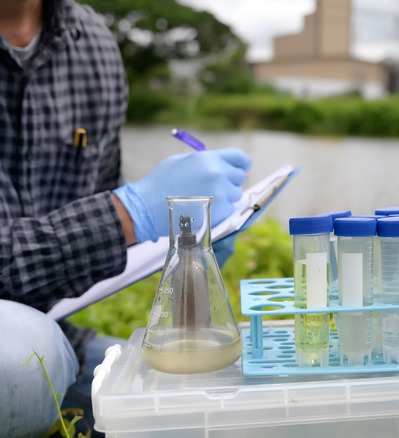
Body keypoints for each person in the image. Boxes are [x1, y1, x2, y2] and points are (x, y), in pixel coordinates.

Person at [0, 0, 251, 436]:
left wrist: (181, 243)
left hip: (58, 329)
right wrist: (127, 213)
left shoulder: (94, 44)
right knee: (20, 367)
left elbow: (95, 205)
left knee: (203, 404)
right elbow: (114, 213)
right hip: (19, 349)